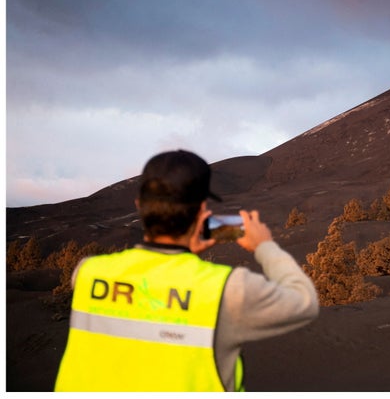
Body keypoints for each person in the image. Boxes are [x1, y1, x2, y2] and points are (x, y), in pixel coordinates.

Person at [54, 149, 319, 392]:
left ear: (139, 206)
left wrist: (183, 256)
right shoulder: (226, 290)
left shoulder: (87, 273)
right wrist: (264, 245)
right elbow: (304, 302)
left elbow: (147, 296)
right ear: (201, 211)